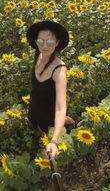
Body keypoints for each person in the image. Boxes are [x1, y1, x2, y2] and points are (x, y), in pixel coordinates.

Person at [26, 20, 75, 159]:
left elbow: (60, 107)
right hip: (35, 105)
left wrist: (54, 141)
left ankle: (67, 122)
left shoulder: (59, 70)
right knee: (37, 125)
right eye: (41, 41)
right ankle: (42, 133)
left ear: (57, 42)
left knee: (49, 127)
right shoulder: (38, 56)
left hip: (50, 111)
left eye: (50, 41)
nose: (45, 46)